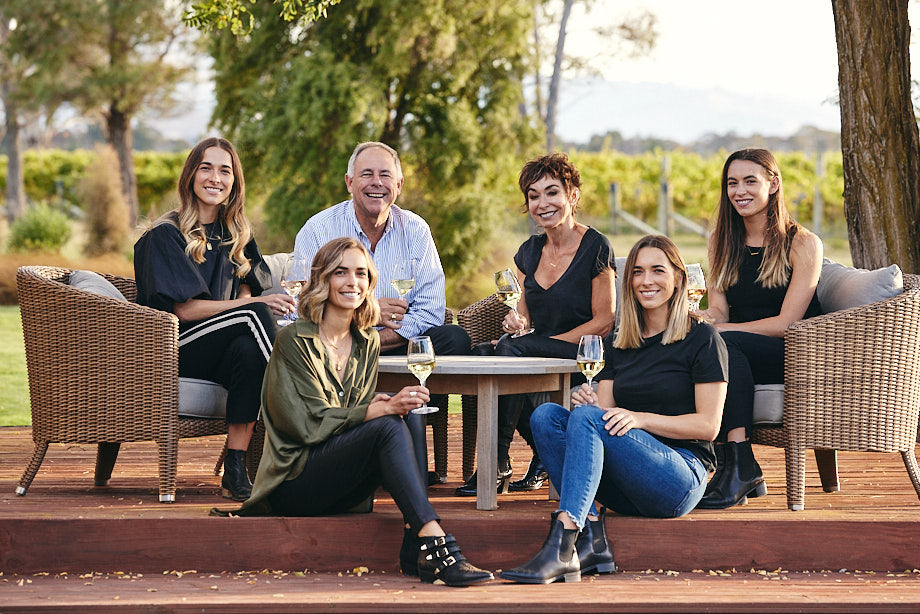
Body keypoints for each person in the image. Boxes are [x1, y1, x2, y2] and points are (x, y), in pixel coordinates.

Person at [230, 237, 492, 586]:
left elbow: (356, 412)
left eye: (360, 273)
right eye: (341, 272)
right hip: (293, 483)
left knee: (405, 412)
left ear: (370, 283)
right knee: (386, 419)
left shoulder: (366, 341)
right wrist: (374, 411)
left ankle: (415, 539)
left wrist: (384, 407)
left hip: (341, 479)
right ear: (323, 280)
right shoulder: (293, 341)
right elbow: (305, 425)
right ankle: (435, 541)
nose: (352, 281)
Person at [500, 235, 727, 584]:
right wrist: (589, 406)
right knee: (546, 417)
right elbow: (604, 414)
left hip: (678, 478)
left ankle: (564, 542)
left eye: (657, 270)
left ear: (678, 278)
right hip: (626, 480)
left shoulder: (703, 339)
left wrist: (638, 418)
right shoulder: (619, 341)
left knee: (587, 419)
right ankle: (591, 537)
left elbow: (708, 426)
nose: (646, 280)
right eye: (637, 272)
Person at [293, 141, 471, 486]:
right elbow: (305, 305)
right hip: (339, 344)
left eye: (385, 175)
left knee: (454, 338)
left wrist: (380, 336)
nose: (377, 182)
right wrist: (368, 312)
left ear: (399, 185)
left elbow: (432, 310)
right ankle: (397, 461)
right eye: (367, 174)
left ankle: (408, 441)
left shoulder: (416, 230)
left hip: (400, 343)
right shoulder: (318, 229)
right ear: (349, 183)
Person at [134, 137, 296, 502]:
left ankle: (236, 468)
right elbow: (186, 311)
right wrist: (251, 305)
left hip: (225, 346)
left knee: (248, 349)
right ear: (191, 175)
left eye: (225, 170)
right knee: (255, 314)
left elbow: (246, 288)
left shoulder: (235, 234)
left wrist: (247, 300)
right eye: (206, 167)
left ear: (234, 181)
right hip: (175, 349)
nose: (215, 178)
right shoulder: (165, 235)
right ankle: (305, 411)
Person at [456, 153, 616, 497]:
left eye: (552, 192)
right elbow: (521, 316)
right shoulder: (529, 251)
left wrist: (541, 345)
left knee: (511, 350)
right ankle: (541, 456)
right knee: (488, 351)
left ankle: (495, 463)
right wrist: (515, 320)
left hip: (585, 356)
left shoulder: (596, 246)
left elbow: (604, 322)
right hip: (536, 350)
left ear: (572, 196)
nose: (542, 203)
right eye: (533, 195)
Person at [696, 148, 822, 510]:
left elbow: (786, 324)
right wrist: (704, 321)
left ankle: (737, 465)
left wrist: (723, 331)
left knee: (722, 345)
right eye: (732, 183)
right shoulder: (721, 238)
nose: (740, 191)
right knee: (703, 343)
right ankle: (735, 464)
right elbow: (718, 309)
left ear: (774, 183)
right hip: (738, 349)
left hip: (795, 353)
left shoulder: (802, 244)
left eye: (751, 181)